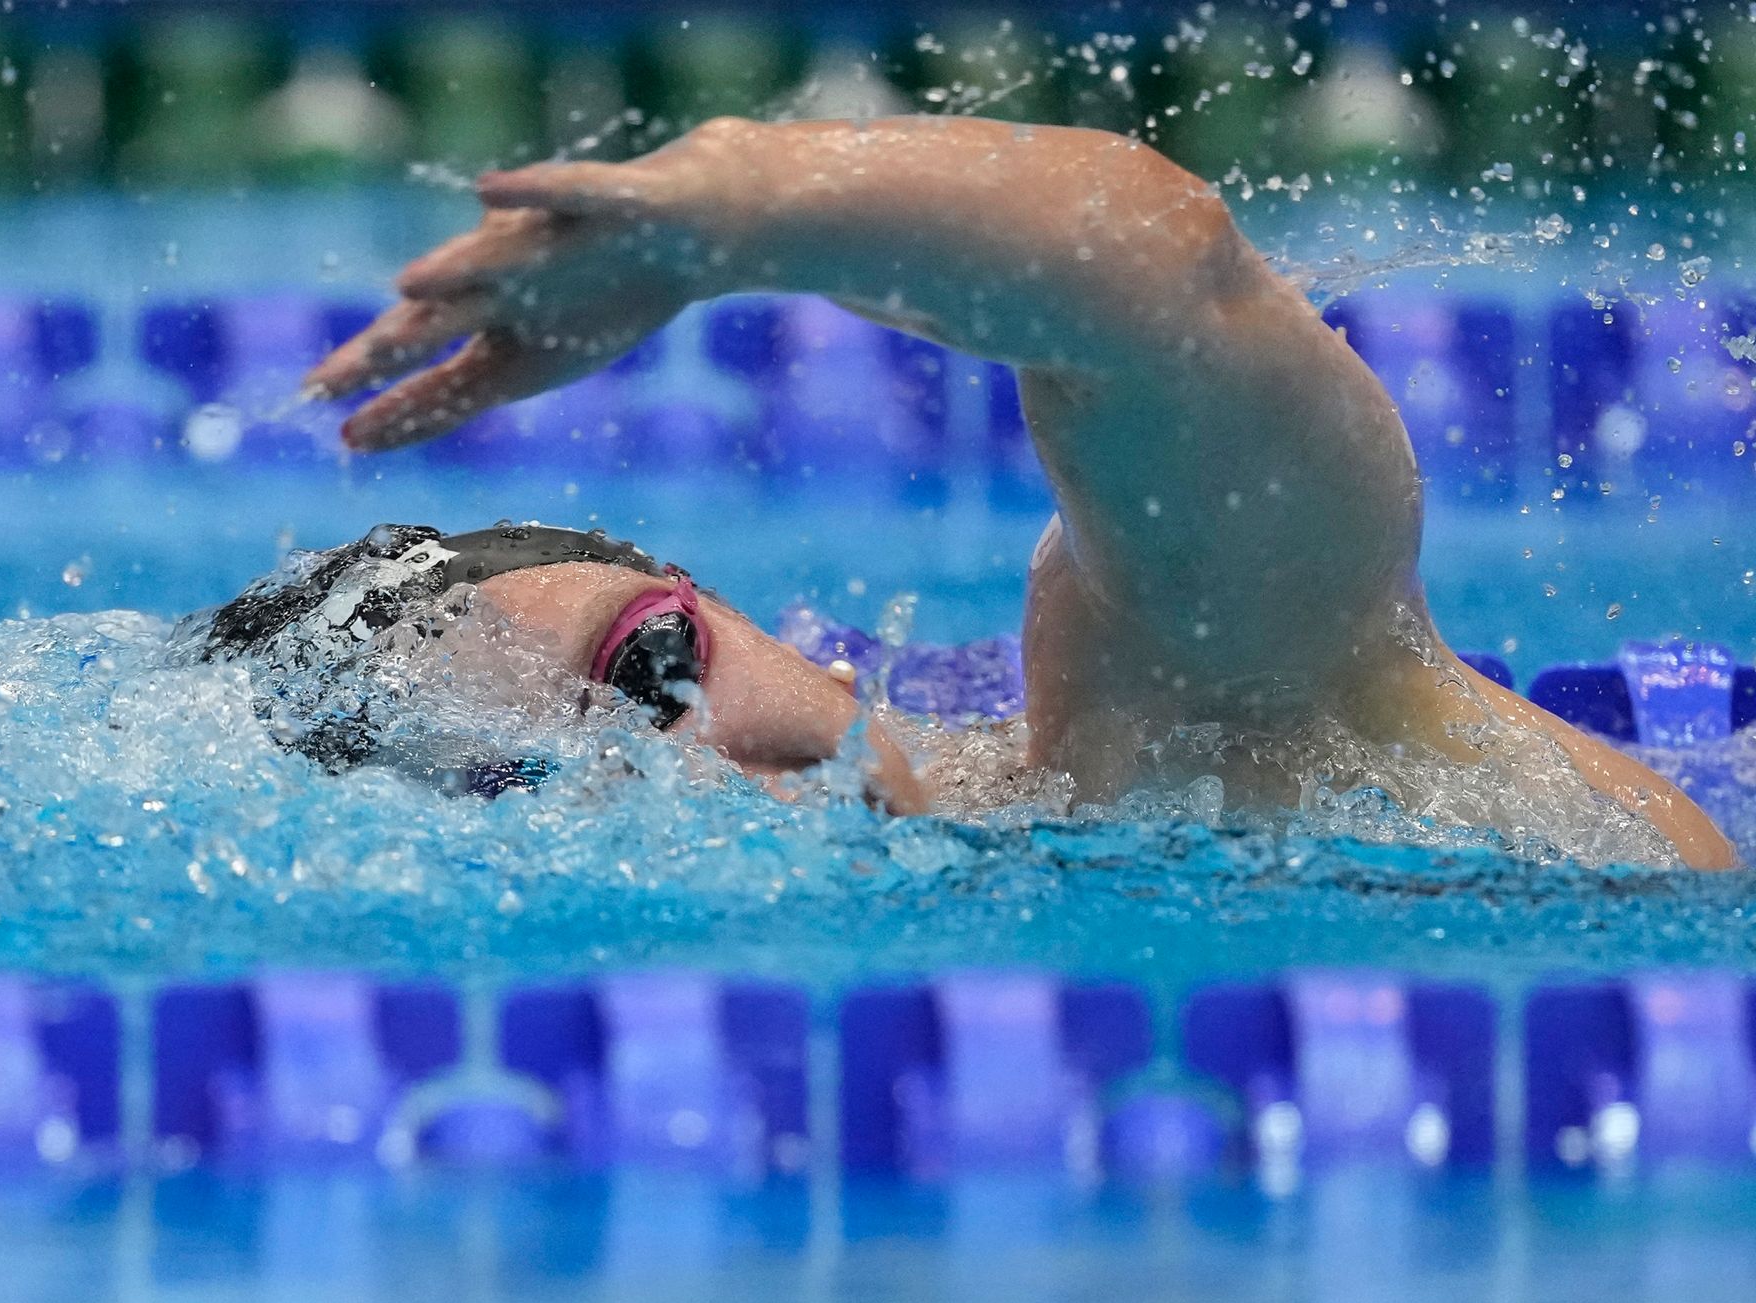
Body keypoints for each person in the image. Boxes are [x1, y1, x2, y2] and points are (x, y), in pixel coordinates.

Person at [289, 114, 1735, 871]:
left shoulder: (1164, 711)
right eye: (523, 784)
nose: (669, 762)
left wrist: (731, 211)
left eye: (653, 665)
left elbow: (1169, 284)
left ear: (732, 610)